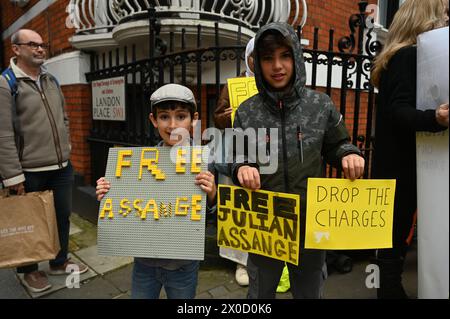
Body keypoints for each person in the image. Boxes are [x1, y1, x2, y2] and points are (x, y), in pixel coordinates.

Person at [230, 22, 365, 299]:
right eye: (268, 58)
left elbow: (338, 144)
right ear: (257, 64)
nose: (277, 66)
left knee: (309, 291)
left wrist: (349, 154)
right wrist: (241, 167)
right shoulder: (246, 112)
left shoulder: (321, 105)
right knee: (259, 293)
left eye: (285, 56)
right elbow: (235, 155)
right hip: (264, 223)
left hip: (311, 224)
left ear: (296, 58)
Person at [96, 84, 216, 299]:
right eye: (164, 117)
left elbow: (213, 217)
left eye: (181, 116)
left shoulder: (205, 163)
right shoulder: (138, 163)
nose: (172, 125)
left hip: (183, 266)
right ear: (153, 120)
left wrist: (212, 195)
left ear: (194, 119)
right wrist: (107, 194)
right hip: (144, 263)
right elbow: (127, 208)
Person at [371, 0, 449, 299]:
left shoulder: (397, 56)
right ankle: (388, 291)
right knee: (395, 232)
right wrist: (435, 118)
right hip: (402, 166)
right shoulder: (408, 56)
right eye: (442, 14)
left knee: (391, 232)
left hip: (393, 163)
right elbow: (398, 112)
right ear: (425, 18)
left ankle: (385, 288)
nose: (445, 19)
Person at [0, 29, 88, 293]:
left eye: (43, 45)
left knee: (61, 216)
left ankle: (59, 262)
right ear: (16, 49)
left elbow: (63, 117)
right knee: (29, 221)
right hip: (28, 170)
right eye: (33, 45)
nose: (40, 49)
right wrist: (13, 176)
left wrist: (68, 146)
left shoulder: (51, 80)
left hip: (61, 166)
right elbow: (3, 134)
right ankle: (29, 270)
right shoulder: (6, 84)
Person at [214, 37, 255, 287]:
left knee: (258, 205)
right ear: (247, 58)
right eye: (253, 55)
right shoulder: (234, 84)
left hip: (265, 153)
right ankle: (240, 260)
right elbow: (217, 115)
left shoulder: (273, 84)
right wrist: (226, 116)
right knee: (237, 205)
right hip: (237, 152)